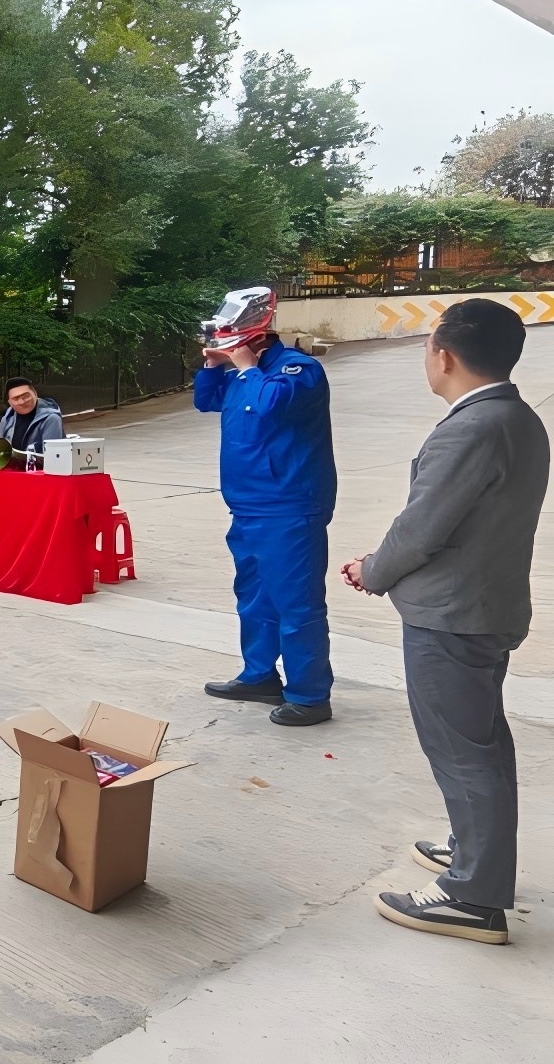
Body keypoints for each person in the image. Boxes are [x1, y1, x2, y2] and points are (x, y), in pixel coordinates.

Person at [343, 301, 548, 945]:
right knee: (481, 744)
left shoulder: (472, 427)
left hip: (454, 616)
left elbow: (423, 527)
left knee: (463, 753)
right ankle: (474, 851)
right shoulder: (517, 417)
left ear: (446, 355)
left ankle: (473, 897)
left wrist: (373, 569)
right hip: (483, 606)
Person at [193, 331, 337, 726]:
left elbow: (272, 404)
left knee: (296, 602)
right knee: (254, 597)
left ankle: (310, 696)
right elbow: (205, 400)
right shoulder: (242, 376)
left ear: (252, 340)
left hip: (289, 505)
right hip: (246, 504)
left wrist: (247, 368)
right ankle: (259, 676)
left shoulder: (299, 370)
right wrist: (213, 366)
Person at [0, 377, 64, 454]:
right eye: (16, 398)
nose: (22, 402)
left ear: (35, 394)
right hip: (13, 461)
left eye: (25, 396)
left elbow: (51, 454)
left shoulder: (51, 418)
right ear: (10, 402)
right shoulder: (7, 418)